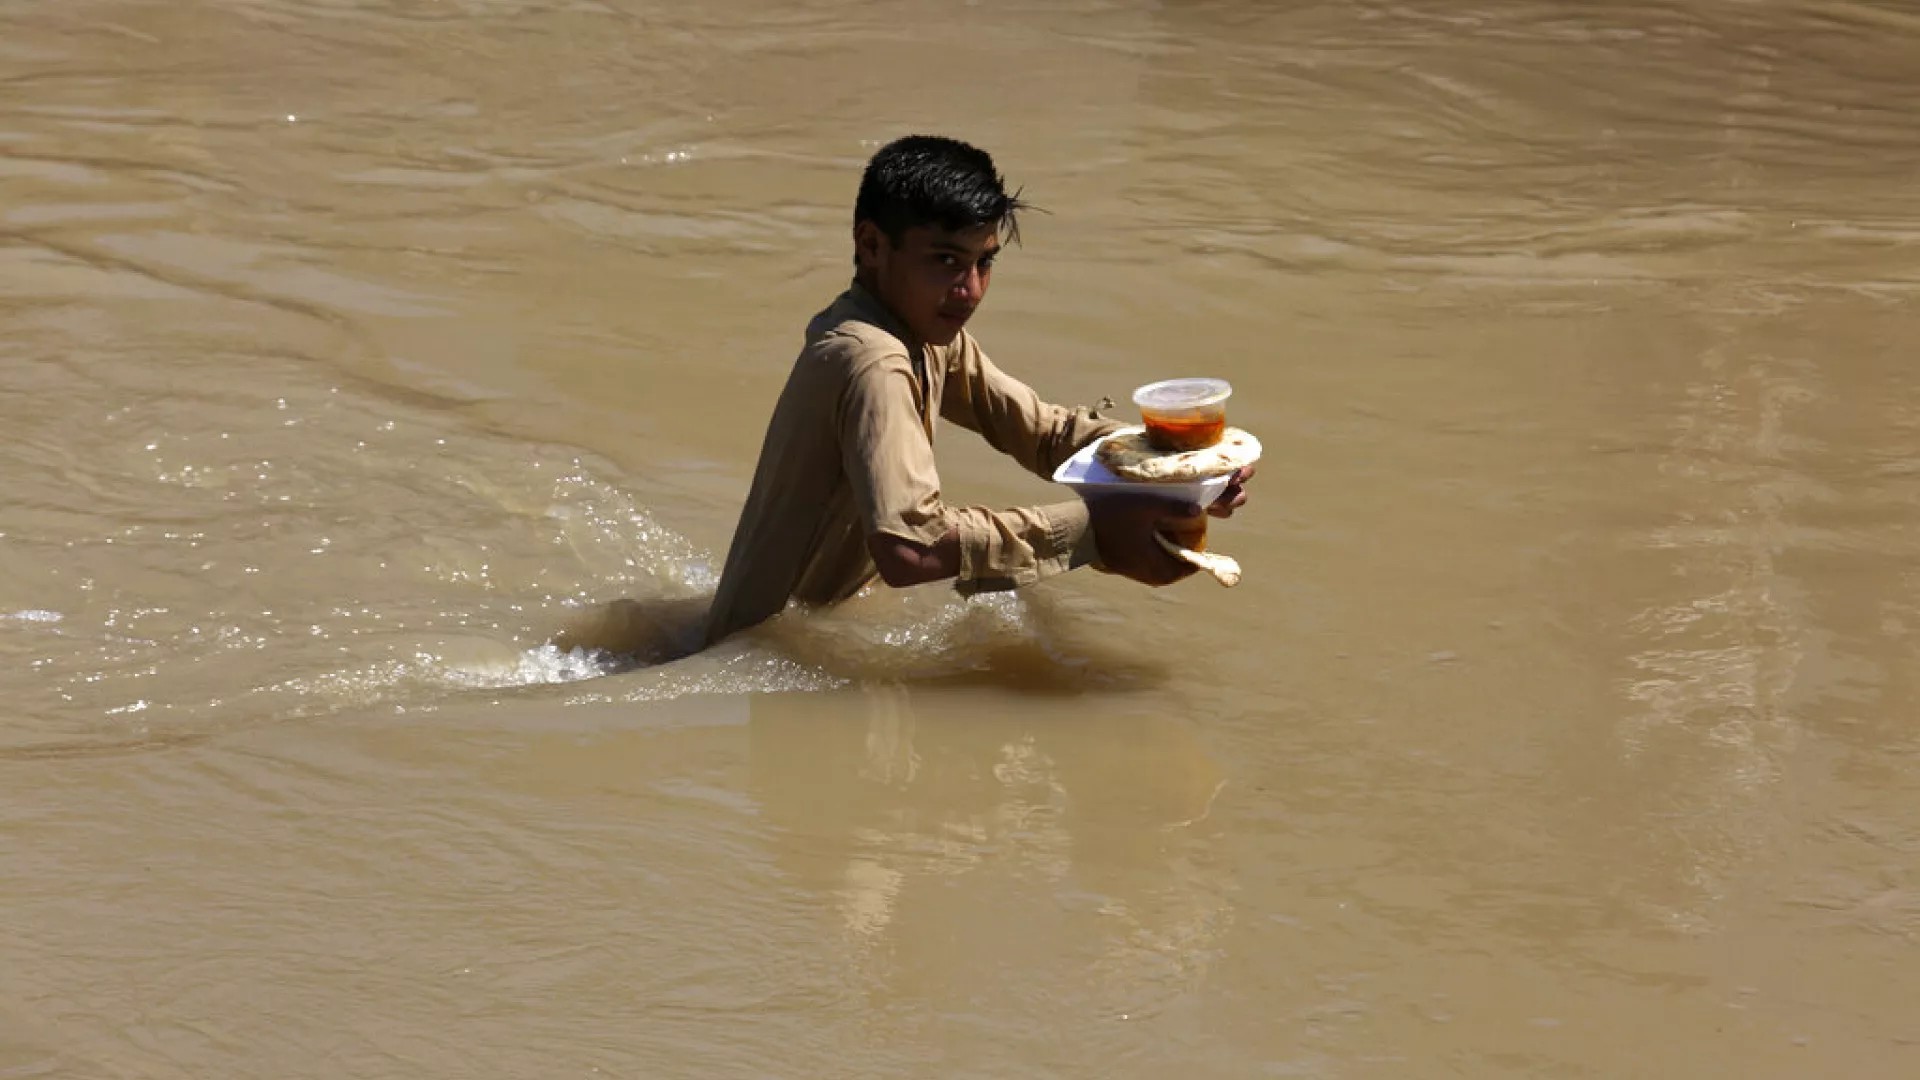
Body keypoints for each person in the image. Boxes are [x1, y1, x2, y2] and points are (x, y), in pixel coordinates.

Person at [703, 135, 1252, 646]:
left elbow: (1044, 433)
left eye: (983, 262)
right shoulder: (872, 361)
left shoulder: (924, 333)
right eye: (945, 261)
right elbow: (910, 549)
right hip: (756, 650)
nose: (970, 290)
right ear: (871, 245)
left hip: (811, 632)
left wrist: (1181, 466)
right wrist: (1098, 528)